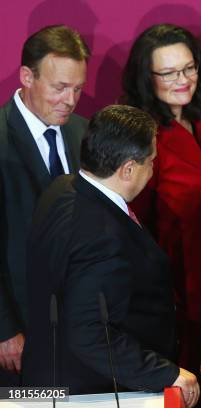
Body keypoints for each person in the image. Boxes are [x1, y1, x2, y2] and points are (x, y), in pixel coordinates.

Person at [21, 105, 200, 406]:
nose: (153, 168)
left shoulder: (62, 188)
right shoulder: (103, 237)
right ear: (128, 169)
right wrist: (166, 374)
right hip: (93, 393)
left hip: (53, 378)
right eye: (151, 161)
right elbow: (89, 333)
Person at [121, 23, 201, 381]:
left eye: (188, 68)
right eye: (168, 72)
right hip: (172, 295)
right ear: (146, 77)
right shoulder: (139, 134)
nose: (183, 80)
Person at [0, 25, 89, 385]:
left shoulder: (83, 132)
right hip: (17, 334)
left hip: (76, 335)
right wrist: (3, 329)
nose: (69, 100)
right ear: (26, 77)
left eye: (77, 89)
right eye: (59, 87)